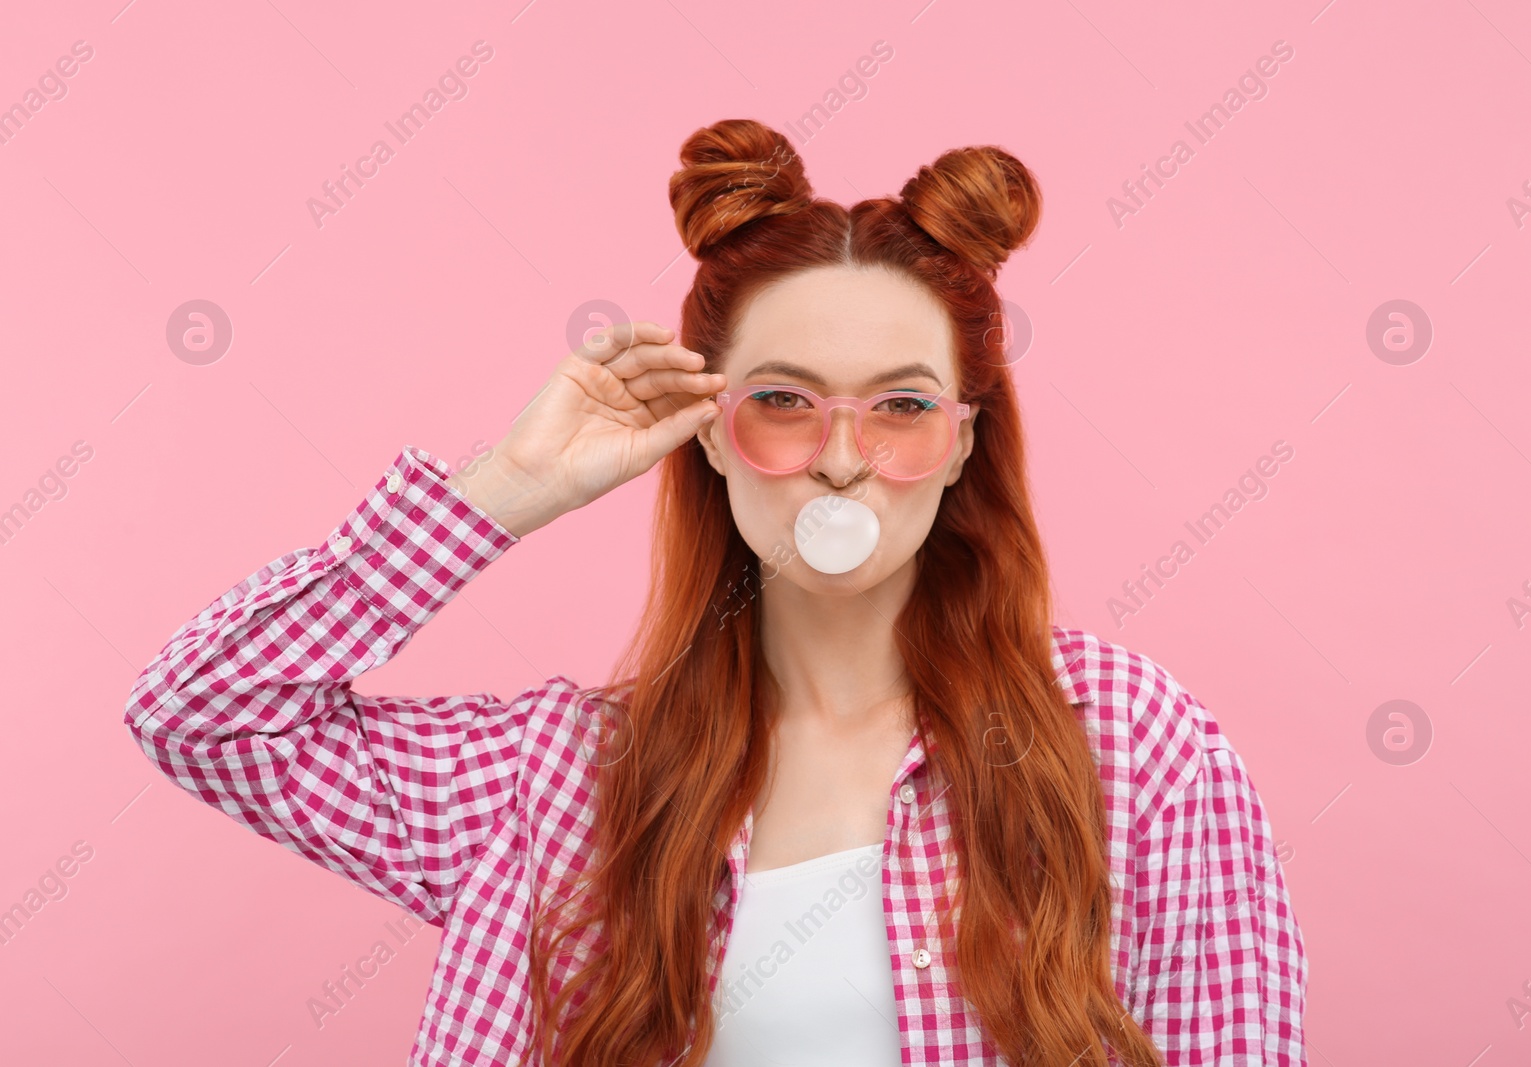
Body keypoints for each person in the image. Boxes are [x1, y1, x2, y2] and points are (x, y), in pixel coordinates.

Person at [124, 118, 1308, 1066]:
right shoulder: (554, 783)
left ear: (959, 445)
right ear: (710, 431)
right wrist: (504, 487)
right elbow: (199, 712)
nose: (843, 457)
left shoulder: (1123, 742)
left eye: (900, 405)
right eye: (785, 399)